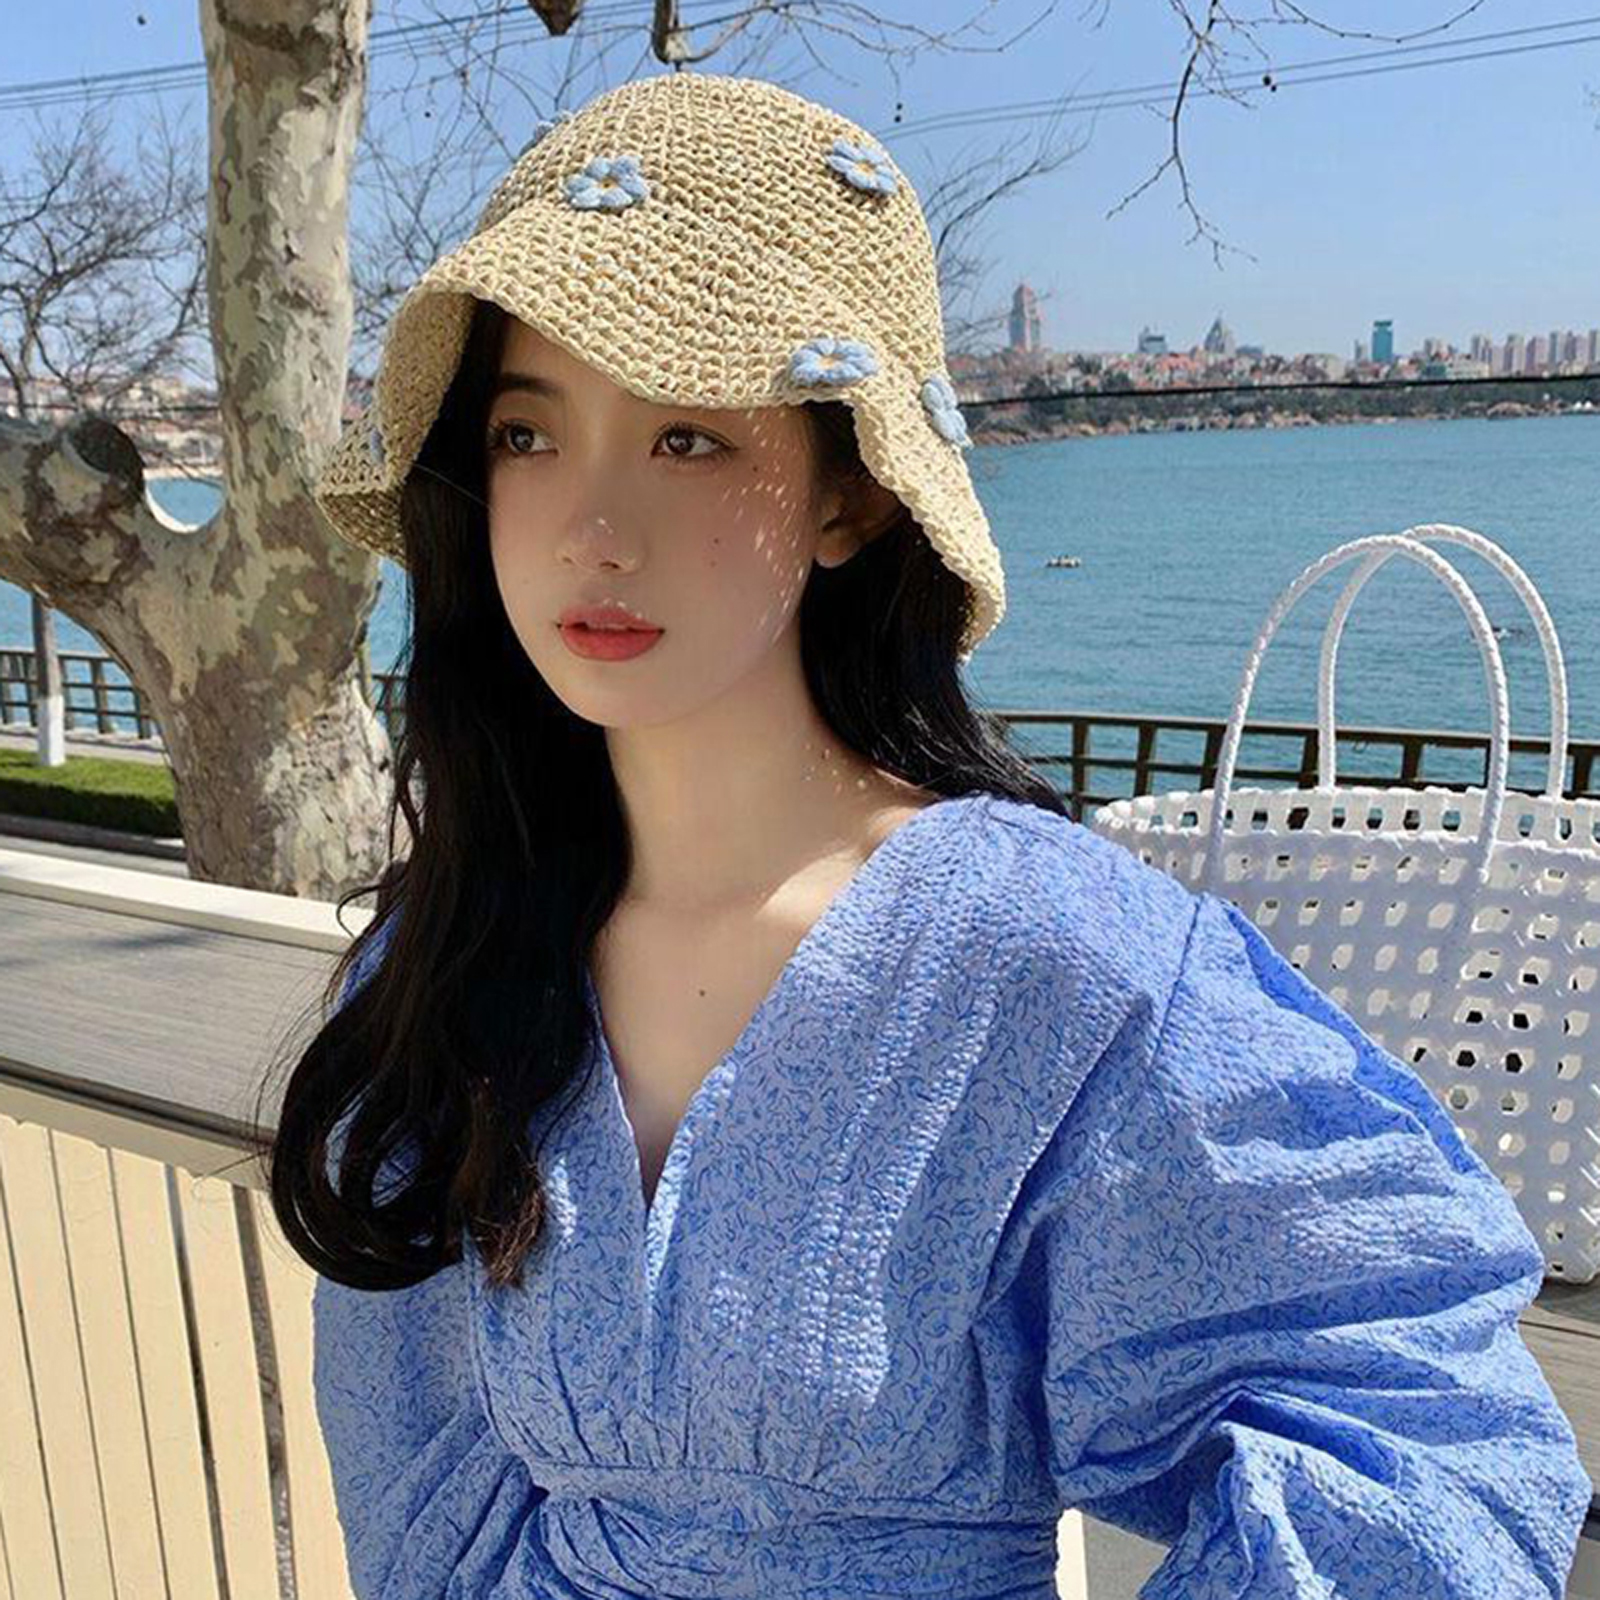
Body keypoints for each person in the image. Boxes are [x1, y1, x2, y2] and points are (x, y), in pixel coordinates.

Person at [271, 70, 1592, 1599]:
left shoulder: (1051, 965)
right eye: (526, 432)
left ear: (850, 495)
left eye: (687, 437)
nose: (592, 526)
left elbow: (1430, 1445)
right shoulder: (451, 956)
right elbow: (422, 1491)